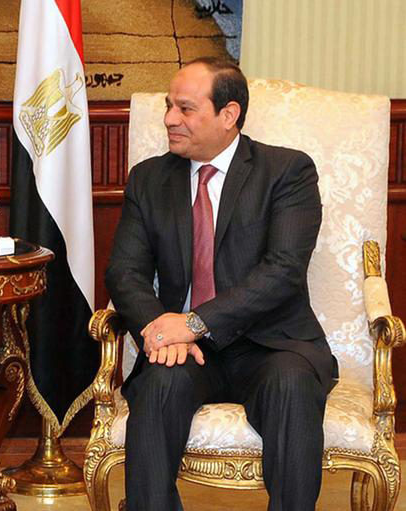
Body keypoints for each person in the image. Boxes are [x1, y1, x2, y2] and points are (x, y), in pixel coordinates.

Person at [105, 57, 337, 511]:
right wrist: (160, 329)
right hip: (186, 350)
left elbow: (283, 270)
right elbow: (124, 271)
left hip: (272, 344)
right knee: (157, 386)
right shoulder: (149, 179)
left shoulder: (286, 171)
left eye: (185, 108)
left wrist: (193, 322)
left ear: (228, 115)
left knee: (292, 386)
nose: (170, 118)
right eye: (169, 106)